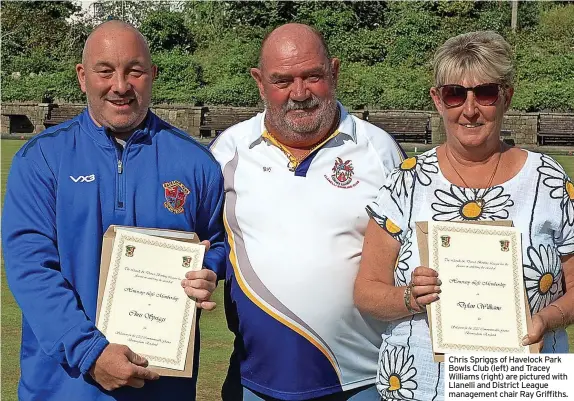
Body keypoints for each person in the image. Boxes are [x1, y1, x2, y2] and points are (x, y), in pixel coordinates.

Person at [2, 20, 225, 401]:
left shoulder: (196, 162)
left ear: (152, 74)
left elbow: (216, 244)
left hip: (162, 387)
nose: (120, 86)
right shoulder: (41, 159)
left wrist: (210, 271)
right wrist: (91, 353)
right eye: (105, 71)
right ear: (82, 76)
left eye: (134, 71)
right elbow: (31, 269)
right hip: (62, 387)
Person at [354, 30, 574, 401]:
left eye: (484, 93)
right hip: (420, 383)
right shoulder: (406, 181)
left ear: (506, 97)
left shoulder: (547, 179)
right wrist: (411, 297)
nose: (469, 109)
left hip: (521, 382)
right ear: (437, 100)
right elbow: (365, 291)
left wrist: (546, 319)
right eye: (455, 93)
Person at [210, 23, 406, 400]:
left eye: (312, 76)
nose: (299, 94)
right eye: (282, 80)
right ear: (259, 82)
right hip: (256, 379)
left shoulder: (379, 150)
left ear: (334, 73)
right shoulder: (226, 151)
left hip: (365, 379)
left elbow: (412, 254)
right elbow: (208, 245)